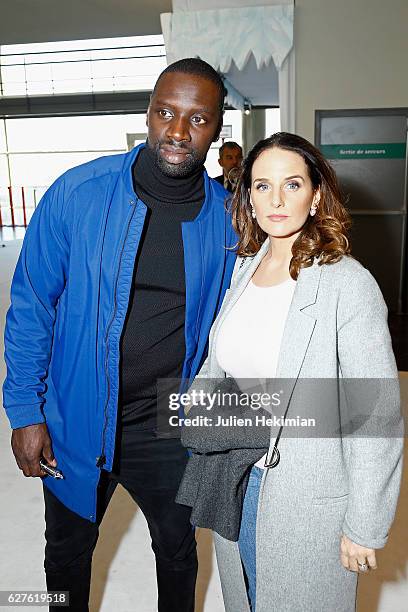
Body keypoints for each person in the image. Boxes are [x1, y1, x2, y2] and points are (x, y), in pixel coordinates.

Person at [2, 58, 236, 612]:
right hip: (77, 416)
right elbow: (32, 305)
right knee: (66, 551)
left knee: (178, 550)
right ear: (148, 114)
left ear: (216, 129)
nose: (178, 132)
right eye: (165, 113)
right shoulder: (78, 194)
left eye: (197, 119)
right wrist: (26, 413)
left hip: (169, 421)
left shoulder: (229, 218)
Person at [176, 132, 404, 612]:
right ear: (248, 196)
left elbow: (377, 417)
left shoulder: (348, 283)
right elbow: (221, 365)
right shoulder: (244, 268)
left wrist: (364, 524)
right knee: (247, 600)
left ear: (316, 194)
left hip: (308, 498)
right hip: (235, 478)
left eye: (292, 184)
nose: (276, 200)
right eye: (262, 186)